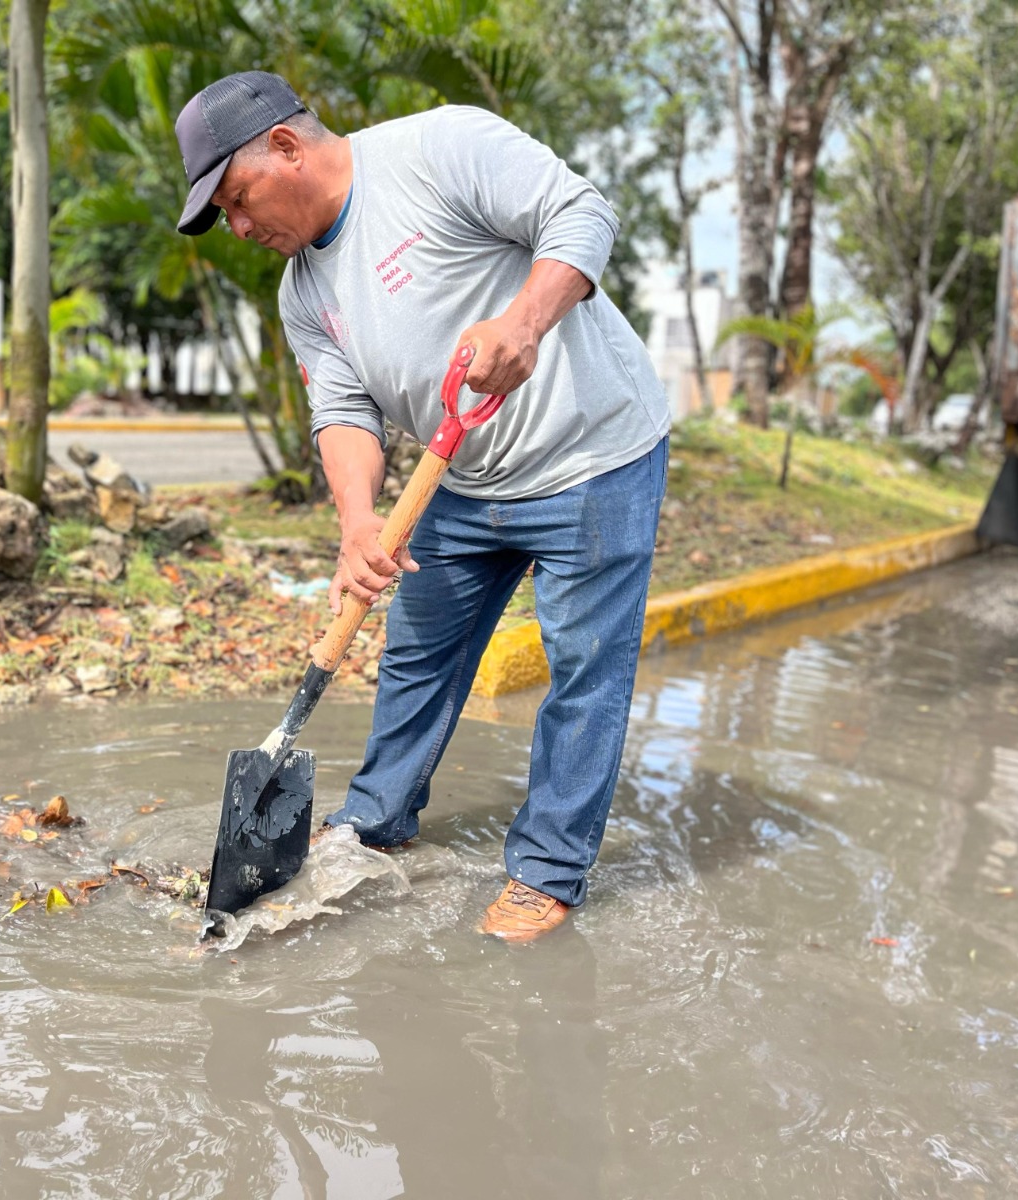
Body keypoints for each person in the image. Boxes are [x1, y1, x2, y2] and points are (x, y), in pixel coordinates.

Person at [173, 71, 669, 941]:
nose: (241, 229)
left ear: (286, 146)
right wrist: (359, 523)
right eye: (225, 217)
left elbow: (583, 214)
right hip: (464, 480)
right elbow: (341, 408)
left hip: (592, 455)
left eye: (239, 200)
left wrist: (523, 321)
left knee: (584, 669)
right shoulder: (301, 295)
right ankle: (375, 819)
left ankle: (546, 872)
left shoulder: (439, 149)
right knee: (418, 653)